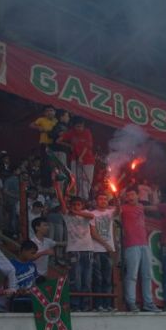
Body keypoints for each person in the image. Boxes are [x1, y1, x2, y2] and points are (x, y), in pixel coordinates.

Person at [54, 176, 95, 311]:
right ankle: (76, 306)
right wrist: (57, 186)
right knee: (76, 279)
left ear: (82, 206)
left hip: (88, 250)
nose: (77, 206)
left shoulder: (86, 213)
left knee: (87, 280)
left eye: (79, 204)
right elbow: (61, 200)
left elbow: (91, 216)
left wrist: (76, 212)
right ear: (71, 206)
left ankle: (86, 306)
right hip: (74, 250)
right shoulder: (67, 215)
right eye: (74, 205)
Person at [119, 186, 161, 312]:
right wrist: (118, 199)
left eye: (132, 194)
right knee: (132, 275)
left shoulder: (141, 207)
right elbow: (114, 212)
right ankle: (131, 302)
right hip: (131, 245)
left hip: (144, 244)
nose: (130, 197)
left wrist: (153, 194)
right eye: (128, 195)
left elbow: (156, 207)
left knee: (147, 275)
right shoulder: (123, 208)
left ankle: (148, 303)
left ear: (138, 196)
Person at [90, 192, 118, 312]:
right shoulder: (92, 214)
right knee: (98, 279)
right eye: (100, 199)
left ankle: (107, 304)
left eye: (105, 199)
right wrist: (106, 244)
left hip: (108, 251)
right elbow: (93, 233)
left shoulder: (110, 212)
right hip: (97, 250)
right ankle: (98, 305)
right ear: (96, 201)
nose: (103, 201)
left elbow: (119, 210)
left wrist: (116, 198)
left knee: (107, 279)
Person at [58, 116, 95, 200]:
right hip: (74, 159)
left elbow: (87, 146)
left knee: (85, 180)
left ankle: (84, 199)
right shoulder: (71, 132)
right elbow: (58, 140)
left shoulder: (87, 132)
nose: (80, 128)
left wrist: (81, 157)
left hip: (88, 160)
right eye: (78, 126)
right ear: (74, 126)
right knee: (75, 179)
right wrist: (70, 146)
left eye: (81, 126)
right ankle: (76, 198)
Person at [29, 104, 57, 187]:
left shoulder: (56, 121)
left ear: (54, 112)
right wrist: (39, 128)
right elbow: (31, 125)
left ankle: (53, 184)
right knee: (45, 164)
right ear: (44, 113)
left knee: (53, 165)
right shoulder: (41, 119)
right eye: (47, 111)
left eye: (51, 110)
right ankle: (45, 184)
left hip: (54, 145)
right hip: (44, 144)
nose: (49, 112)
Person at [10, 240, 41, 313]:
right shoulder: (11, 264)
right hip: (17, 300)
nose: (34, 256)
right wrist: (17, 290)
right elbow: (7, 283)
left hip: (31, 299)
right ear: (24, 250)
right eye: (32, 253)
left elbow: (34, 282)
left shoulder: (32, 265)